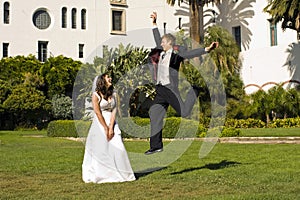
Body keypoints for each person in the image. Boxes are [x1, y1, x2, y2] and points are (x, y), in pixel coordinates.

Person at [145, 12, 219, 155]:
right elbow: (156, 38)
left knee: (184, 112)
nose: (161, 44)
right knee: (155, 114)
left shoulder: (176, 54)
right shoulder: (160, 53)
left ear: (169, 43)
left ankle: (195, 91)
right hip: (160, 89)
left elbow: (191, 54)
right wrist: (154, 23)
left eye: (163, 42)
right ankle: (156, 146)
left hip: (170, 88)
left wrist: (207, 49)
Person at [82, 73, 136, 183]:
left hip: (112, 121)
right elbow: (97, 112)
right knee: (102, 148)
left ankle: (123, 174)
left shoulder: (114, 94)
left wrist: (111, 127)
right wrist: (105, 128)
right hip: (100, 122)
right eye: (108, 77)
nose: (110, 78)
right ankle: (102, 174)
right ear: (102, 81)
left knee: (118, 147)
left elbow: (114, 110)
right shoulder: (96, 95)